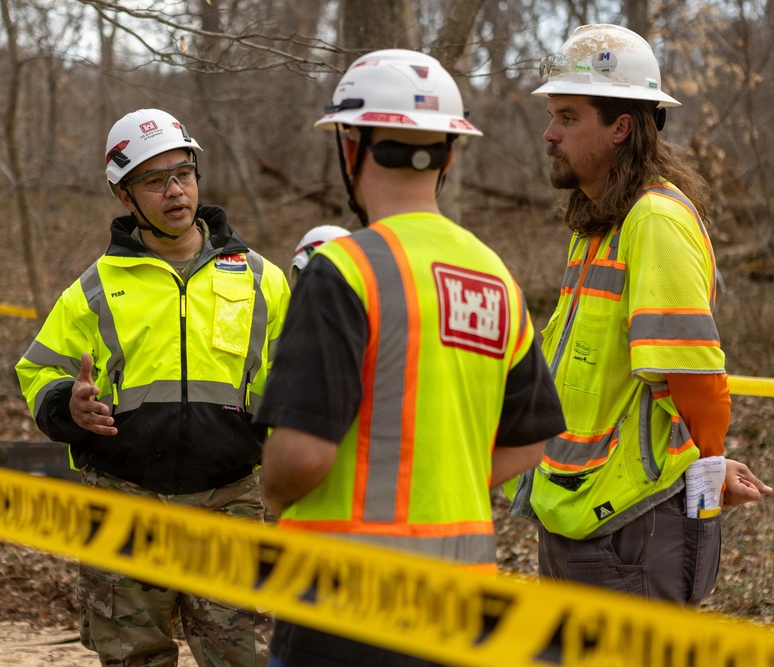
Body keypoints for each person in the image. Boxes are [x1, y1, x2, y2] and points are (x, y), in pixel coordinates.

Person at [254, 49, 567, 667]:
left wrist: (272, 495)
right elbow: (532, 442)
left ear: (350, 147)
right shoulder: (493, 276)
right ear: (449, 154)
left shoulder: (345, 268)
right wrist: (438, 485)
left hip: (344, 604)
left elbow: (299, 457)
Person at [16, 107, 290, 667]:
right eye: (152, 179)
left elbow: (300, 382)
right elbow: (38, 370)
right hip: (126, 501)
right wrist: (65, 403)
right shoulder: (93, 289)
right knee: (134, 658)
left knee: (240, 659)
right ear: (124, 196)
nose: (174, 191)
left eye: (182, 174)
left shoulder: (261, 278)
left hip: (229, 501)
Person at [508, 23, 772, 605]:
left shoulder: (654, 221)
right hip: (578, 507)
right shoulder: (598, 223)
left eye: (569, 117)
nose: (549, 133)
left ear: (621, 127)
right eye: (553, 115)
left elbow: (695, 376)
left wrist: (709, 469)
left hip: (632, 522)